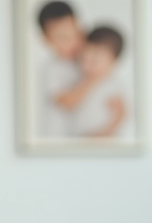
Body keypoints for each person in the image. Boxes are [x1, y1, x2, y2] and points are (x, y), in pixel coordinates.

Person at [35, 1, 84, 138]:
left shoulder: (85, 63)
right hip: (58, 140)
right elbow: (66, 102)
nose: (71, 42)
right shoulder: (52, 69)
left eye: (75, 34)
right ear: (46, 39)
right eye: (62, 37)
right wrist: (95, 78)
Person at [69, 25, 127, 138]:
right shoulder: (81, 80)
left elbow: (121, 113)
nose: (86, 66)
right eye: (83, 59)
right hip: (79, 137)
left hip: (101, 139)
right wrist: (90, 82)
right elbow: (71, 103)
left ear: (113, 61)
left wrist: (106, 131)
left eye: (94, 61)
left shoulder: (112, 84)